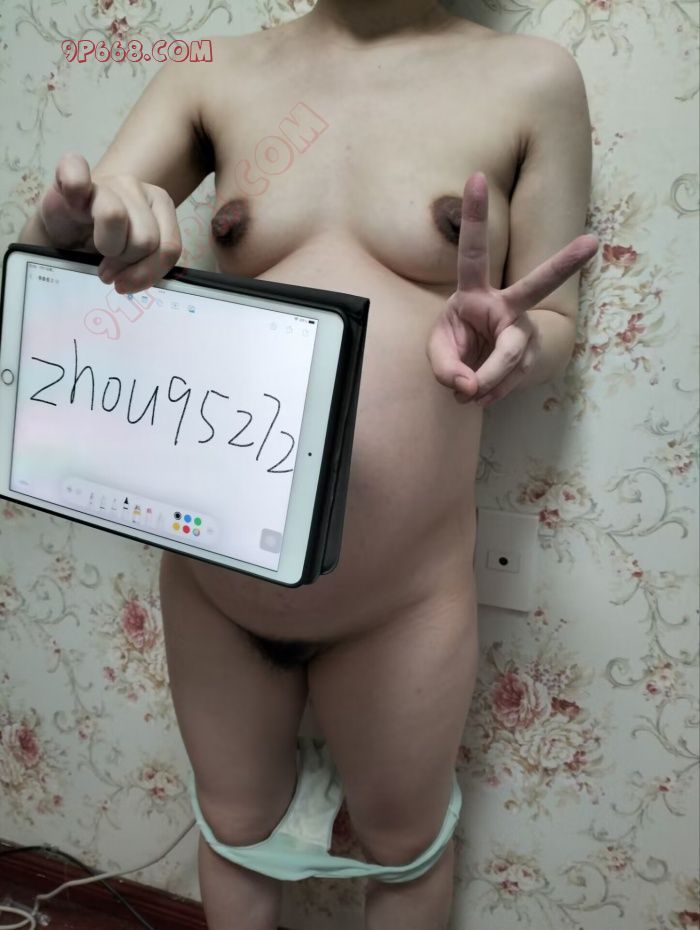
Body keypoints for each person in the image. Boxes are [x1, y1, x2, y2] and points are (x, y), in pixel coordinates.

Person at [18, 1, 598, 927]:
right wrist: (66, 232)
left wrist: (523, 342)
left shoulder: (532, 79)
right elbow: (79, 241)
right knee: (233, 831)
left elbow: (556, 322)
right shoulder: (209, 68)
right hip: (215, 580)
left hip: (401, 602)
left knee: (405, 849)